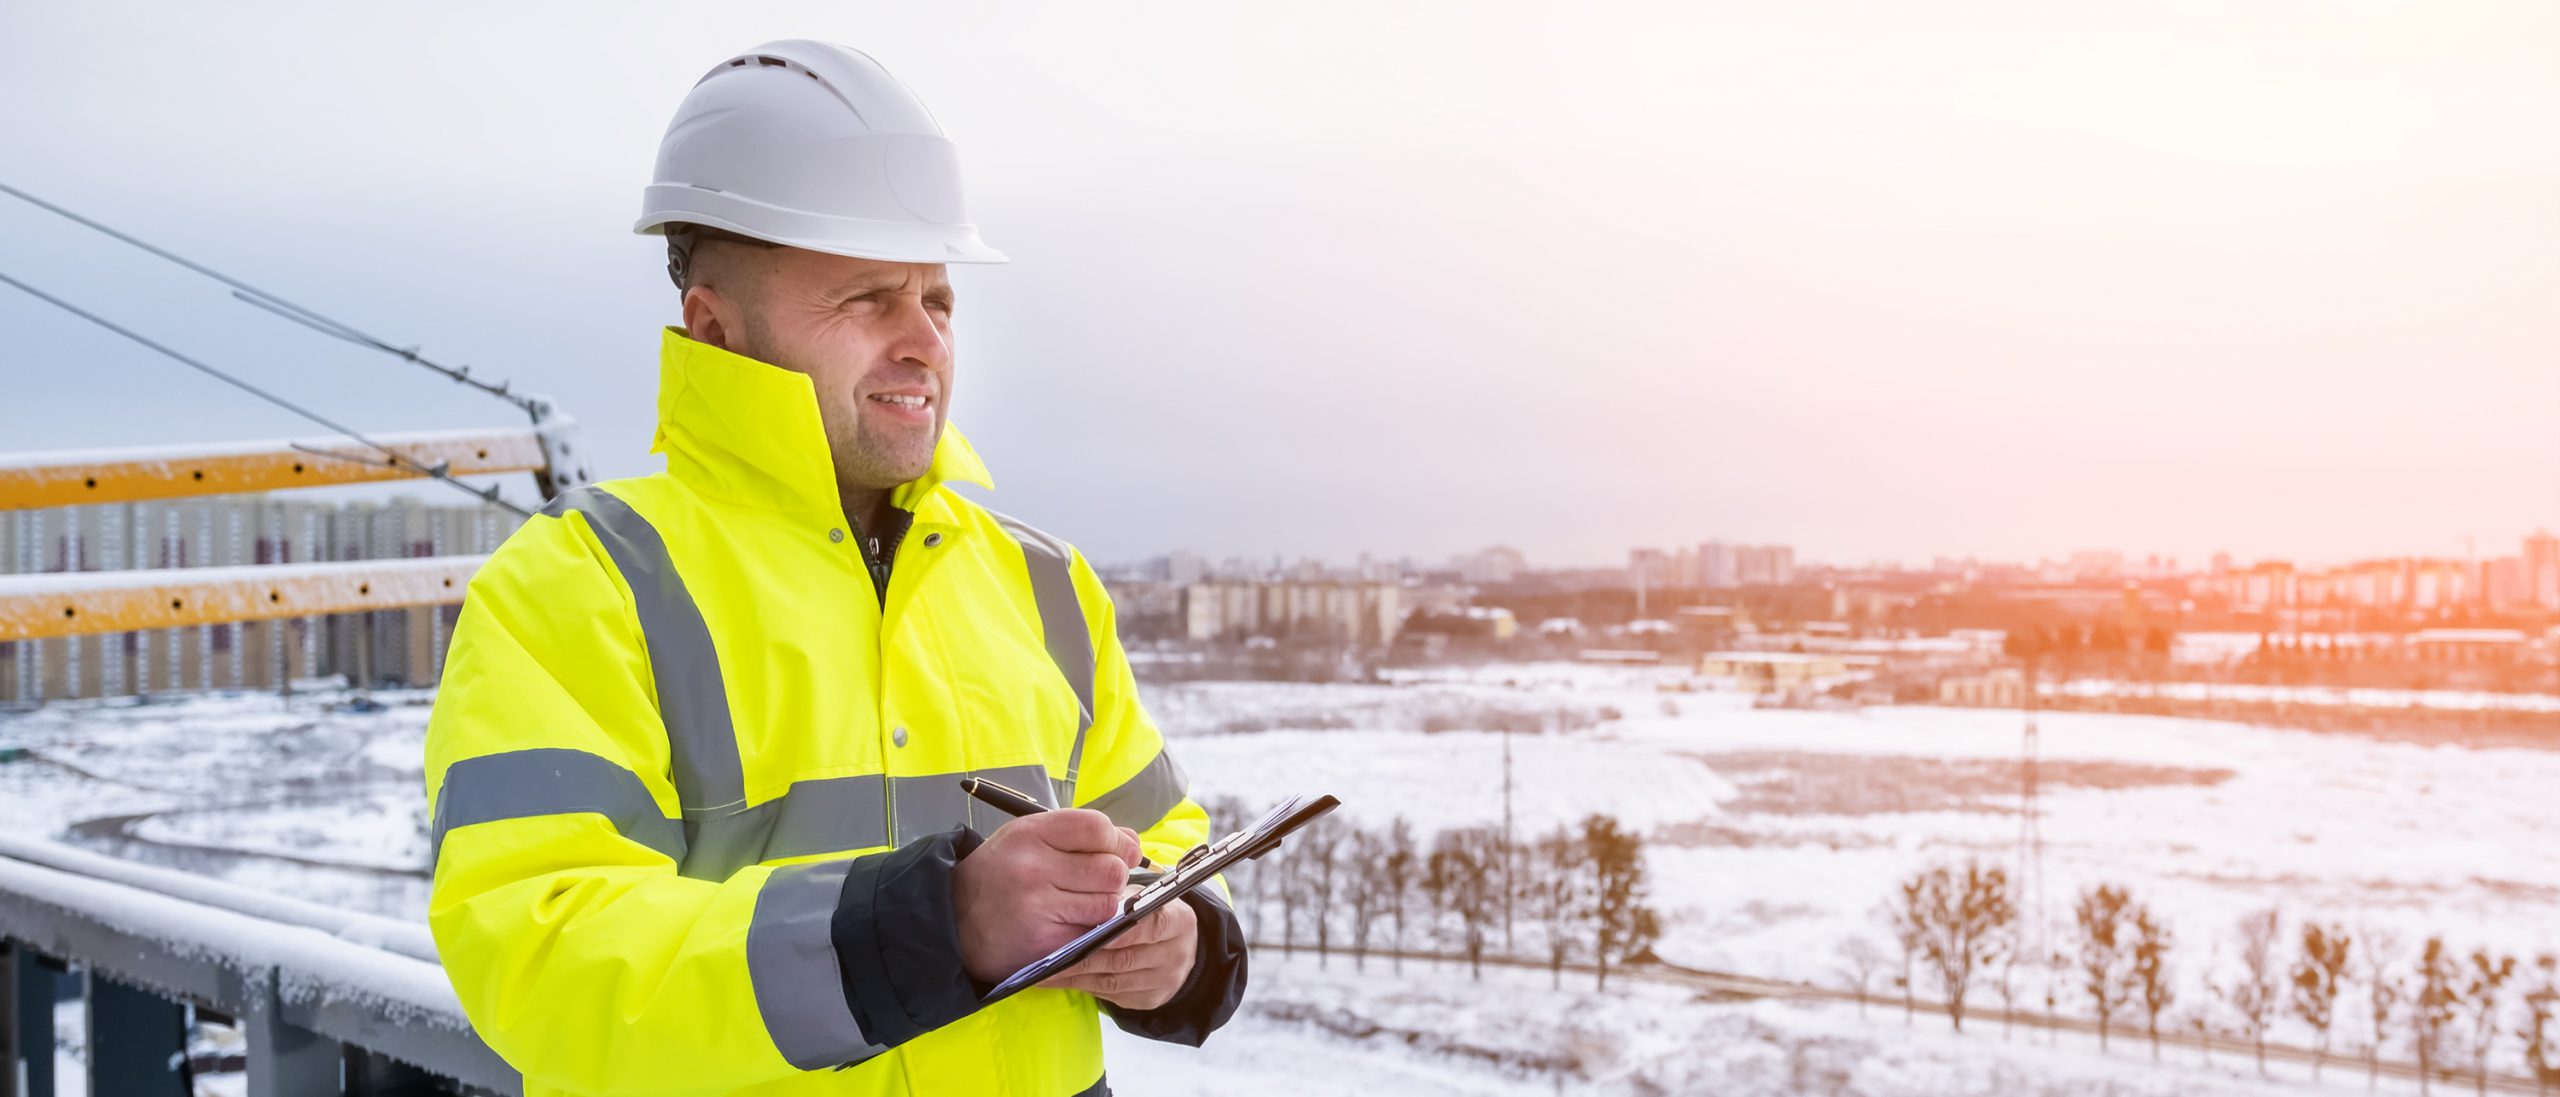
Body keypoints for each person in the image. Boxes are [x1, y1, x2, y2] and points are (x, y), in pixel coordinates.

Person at [422, 39, 1244, 1097]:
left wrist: (1175, 939)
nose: (923, 343)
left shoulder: (1044, 583)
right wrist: (935, 923)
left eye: (937, 300)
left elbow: (1165, 841)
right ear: (714, 328)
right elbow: (537, 954)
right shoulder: (578, 585)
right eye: (865, 299)